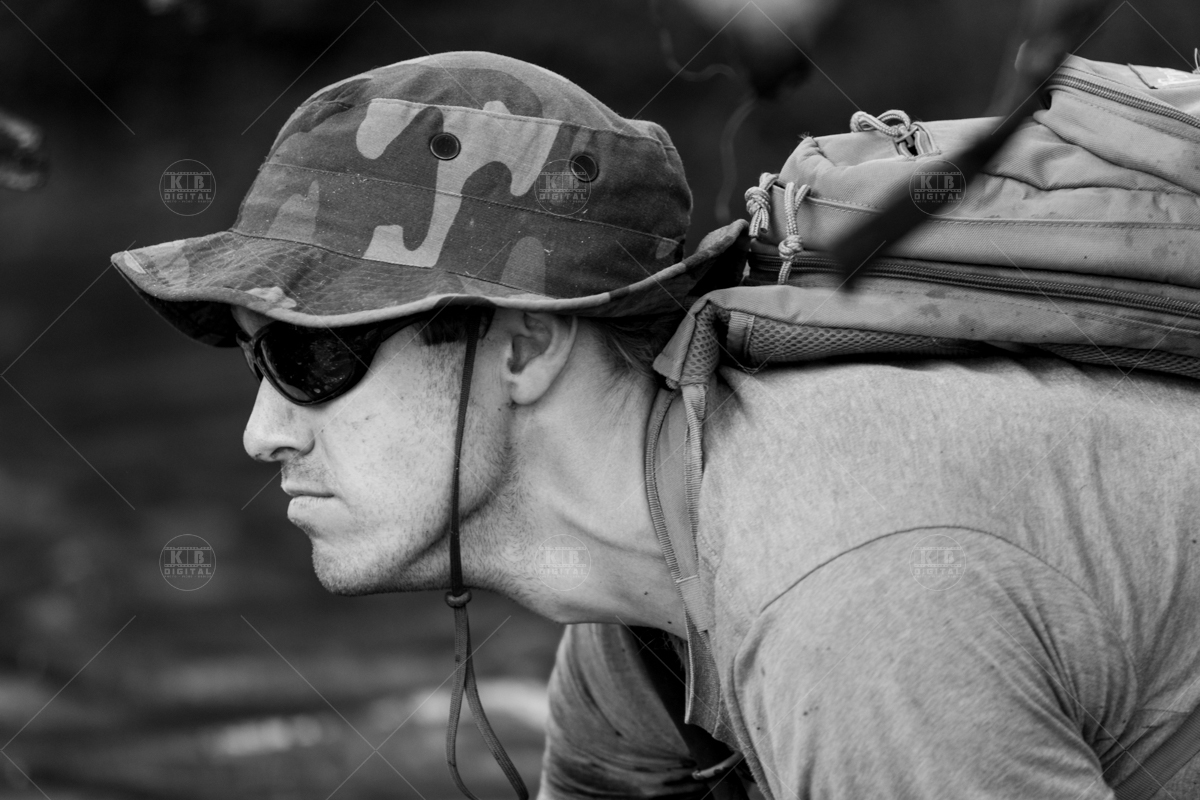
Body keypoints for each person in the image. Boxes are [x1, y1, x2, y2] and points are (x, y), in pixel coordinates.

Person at [112, 51, 1200, 800]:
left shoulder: (844, 597)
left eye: (312, 355)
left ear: (526, 346)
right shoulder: (638, 624)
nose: (261, 433)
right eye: (256, 358)